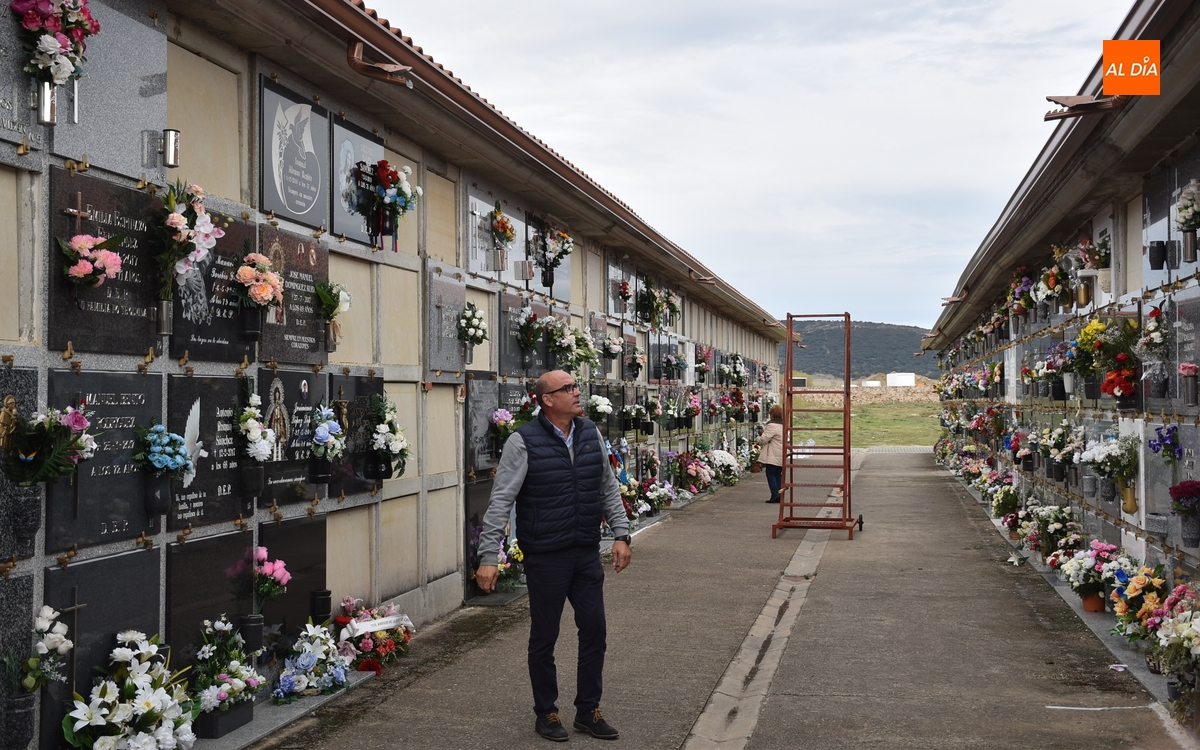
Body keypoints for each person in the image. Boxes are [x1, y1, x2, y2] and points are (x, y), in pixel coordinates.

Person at [475, 370, 632, 742]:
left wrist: (622, 534)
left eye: (577, 387)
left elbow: (607, 487)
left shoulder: (591, 433)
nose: (578, 393)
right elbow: (501, 501)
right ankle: (546, 711)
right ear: (547, 399)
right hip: (546, 556)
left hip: (585, 552)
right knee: (544, 637)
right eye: (569, 389)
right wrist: (488, 556)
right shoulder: (523, 441)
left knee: (595, 629)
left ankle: (587, 711)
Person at [758, 404, 784, 503]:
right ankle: (779, 494)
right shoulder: (783, 425)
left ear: (772, 414)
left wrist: (759, 437)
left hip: (773, 454)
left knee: (770, 473)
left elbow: (763, 440)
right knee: (778, 474)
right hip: (781, 453)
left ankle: (775, 494)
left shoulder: (772, 425)